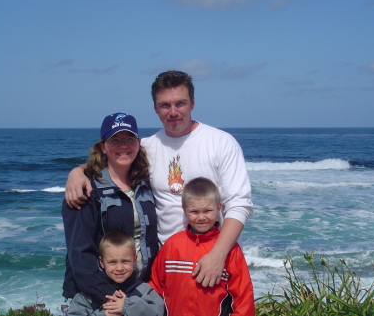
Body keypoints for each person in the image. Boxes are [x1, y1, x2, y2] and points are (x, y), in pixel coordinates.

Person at [65, 70, 253, 287]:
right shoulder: (148, 147)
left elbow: (239, 204)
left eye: (180, 103)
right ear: (155, 108)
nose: (173, 112)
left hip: (212, 260)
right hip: (166, 266)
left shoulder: (221, 143)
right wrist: (77, 172)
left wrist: (218, 256)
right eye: (165, 105)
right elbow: (114, 158)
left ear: (192, 103)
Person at [62, 113, 159, 311]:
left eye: (129, 139)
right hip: (96, 298)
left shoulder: (145, 184)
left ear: (138, 143)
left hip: (136, 291)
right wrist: (111, 299)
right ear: (103, 146)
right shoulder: (86, 189)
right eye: (115, 140)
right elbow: (80, 254)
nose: (123, 145)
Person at [149, 177, 255, 316]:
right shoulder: (172, 245)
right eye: (195, 212)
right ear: (184, 209)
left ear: (218, 208)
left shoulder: (229, 249)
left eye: (207, 211)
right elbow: (156, 286)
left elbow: (243, 297)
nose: (201, 218)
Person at [67, 230, 164, 316]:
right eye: (112, 262)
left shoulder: (144, 290)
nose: (119, 268)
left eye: (125, 261)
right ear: (101, 262)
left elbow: (158, 312)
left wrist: (128, 307)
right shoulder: (88, 295)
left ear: (135, 260)